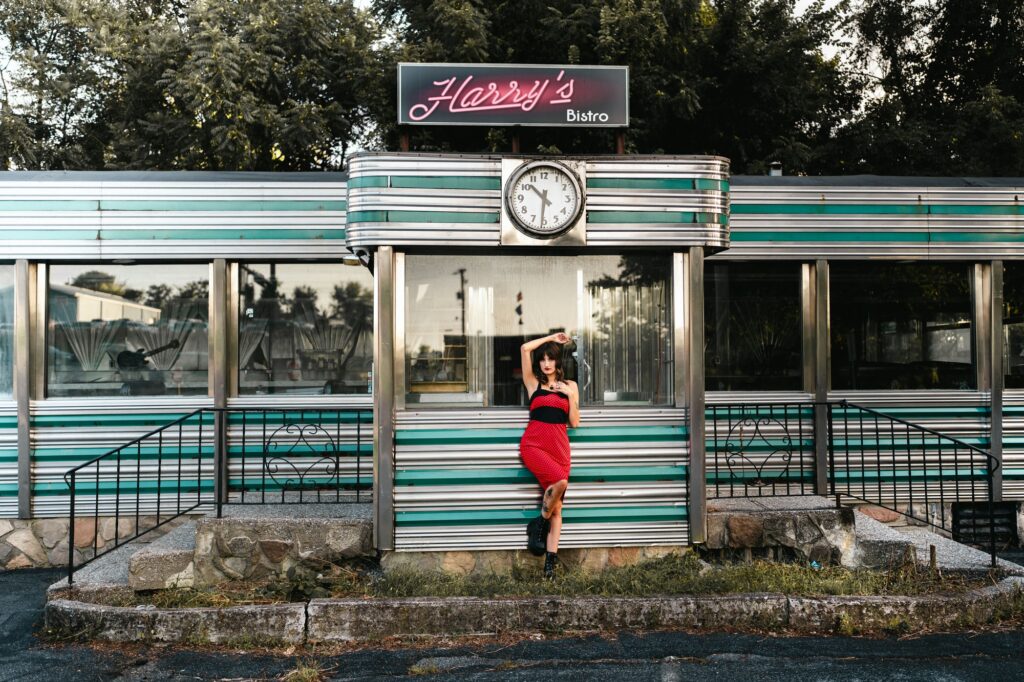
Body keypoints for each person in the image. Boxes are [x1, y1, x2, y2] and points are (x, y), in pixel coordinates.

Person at [519, 331, 580, 578]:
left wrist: (569, 396)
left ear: (558, 362)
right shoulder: (533, 383)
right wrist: (550, 338)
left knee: (557, 510)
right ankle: (539, 524)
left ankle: (549, 566)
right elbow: (524, 348)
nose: (546, 363)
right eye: (543, 359)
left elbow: (575, 422)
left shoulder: (571, 386)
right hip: (534, 445)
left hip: (559, 449)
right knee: (560, 482)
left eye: (551, 359)